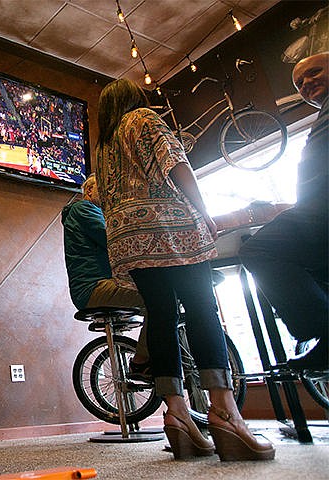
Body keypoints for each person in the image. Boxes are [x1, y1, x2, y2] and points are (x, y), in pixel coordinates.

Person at [95, 78, 274, 461]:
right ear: (134, 99)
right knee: (200, 307)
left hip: (127, 237)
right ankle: (225, 411)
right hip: (170, 228)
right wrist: (204, 211)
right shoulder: (143, 118)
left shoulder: (103, 146)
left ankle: (176, 414)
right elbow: (176, 164)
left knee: (160, 317)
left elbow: (101, 195)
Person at [239, 52, 328, 372]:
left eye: (314, 72)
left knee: (261, 249)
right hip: (316, 212)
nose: (306, 84)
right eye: (299, 83)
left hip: (321, 212)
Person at [61, 174, 151, 379]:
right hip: (94, 288)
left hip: (99, 286)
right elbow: (111, 239)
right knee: (156, 299)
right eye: (105, 189)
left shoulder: (93, 212)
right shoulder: (84, 209)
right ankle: (141, 362)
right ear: (89, 191)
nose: (111, 194)